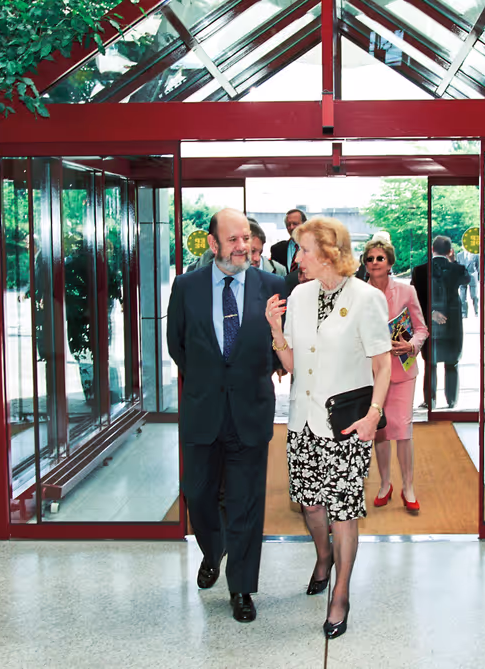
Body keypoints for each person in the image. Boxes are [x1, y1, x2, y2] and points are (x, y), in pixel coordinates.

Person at [264, 216, 391, 640]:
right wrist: (277, 331)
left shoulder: (365, 297)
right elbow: (292, 365)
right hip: (302, 421)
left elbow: (382, 361)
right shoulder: (298, 295)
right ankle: (324, 557)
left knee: (343, 511)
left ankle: (341, 593)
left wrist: (374, 414)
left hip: (347, 425)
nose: (296, 258)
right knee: (311, 505)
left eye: (303, 250)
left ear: (328, 254)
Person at [166, 208, 286, 624]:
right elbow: (176, 346)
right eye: (233, 240)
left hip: (250, 410)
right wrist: (208, 378)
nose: (243, 247)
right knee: (197, 494)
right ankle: (212, 548)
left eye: (247, 240)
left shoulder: (272, 285)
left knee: (245, 502)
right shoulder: (186, 286)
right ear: (212, 244)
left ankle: (241, 588)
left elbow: (279, 347)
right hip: (203, 410)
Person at [362, 237, 428, 512]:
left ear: (390, 263)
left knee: (402, 430)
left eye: (380, 258)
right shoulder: (358, 294)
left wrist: (411, 345)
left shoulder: (407, 291)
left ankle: (408, 486)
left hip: (402, 369)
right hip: (370, 373)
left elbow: (422, 328)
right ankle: (385, 483)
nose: (375, 262)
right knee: (380, 430)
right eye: (370, 259)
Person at [410, 236, 469, 409]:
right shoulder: (457, 269)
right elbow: (466, 279)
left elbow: (415, 298)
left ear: (431, 249)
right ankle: (451, 401)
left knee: (430, 364)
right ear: (450, 251)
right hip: (452, 324)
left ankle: (430, 401)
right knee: (452, 363)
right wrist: (453, 260)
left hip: (429, 321)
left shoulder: (419, 270)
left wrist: (430, 312)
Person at [270, 208, 307, 273]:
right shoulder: (277, 249)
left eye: (295, 223)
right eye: (288, 225)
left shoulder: (314, 248)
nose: (291, 227)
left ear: (305, 225)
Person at [456, 246, 479, 318]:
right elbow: (457, 266)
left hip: (472, 277)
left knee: (474, 296)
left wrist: (478, 277)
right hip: (462, 278)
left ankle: (476, 311)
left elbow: (479, 267)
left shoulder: (475, 255)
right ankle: (464, 313)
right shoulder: (459, 255)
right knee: (462, 297)